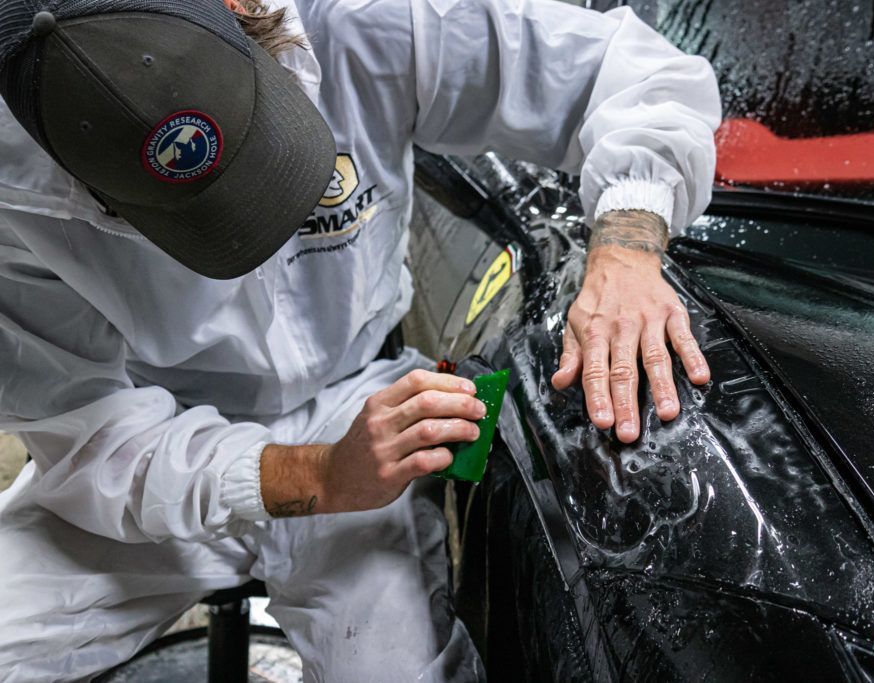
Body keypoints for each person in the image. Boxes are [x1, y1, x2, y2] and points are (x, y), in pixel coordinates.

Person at [0, 0, 719, 679]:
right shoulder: (15, 185)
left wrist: (627, 243)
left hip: (358, 403)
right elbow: (85, 428)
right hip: (156, 446)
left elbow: (626, 69)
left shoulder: (369, 20)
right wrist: (310, 475)